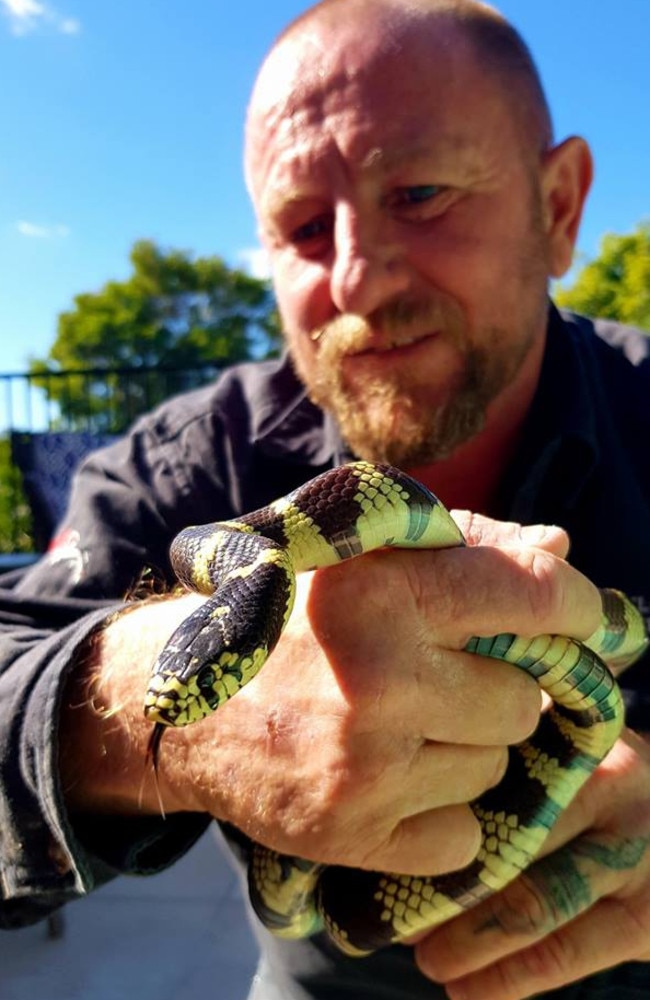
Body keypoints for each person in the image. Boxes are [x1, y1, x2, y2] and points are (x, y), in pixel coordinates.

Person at [1, 0, 649, 997]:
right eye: (303, 225)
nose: (354, 277)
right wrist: (136, 716)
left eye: (421, 192)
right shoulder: (188, 467)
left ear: (558, 208)